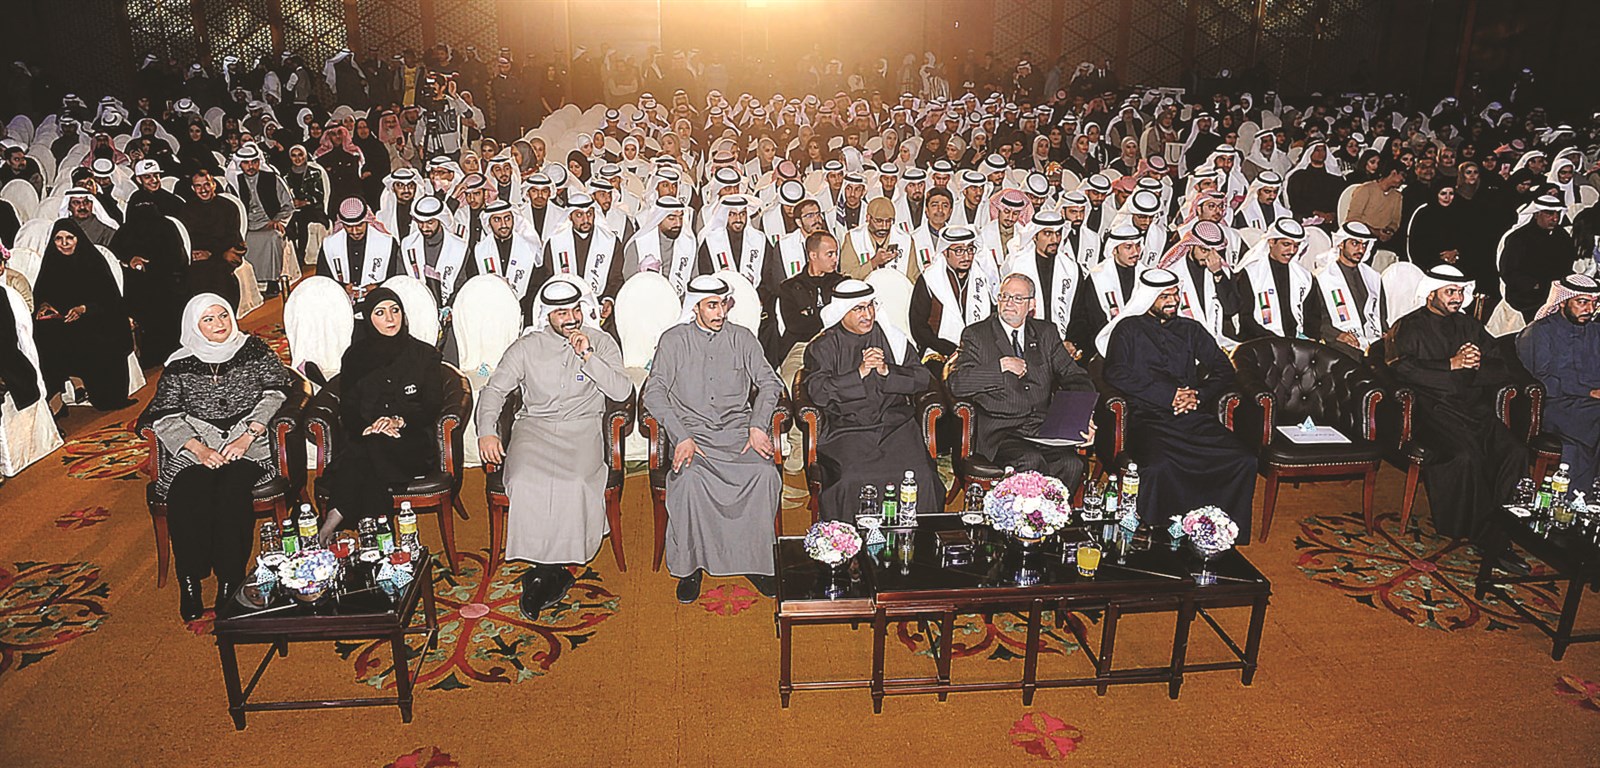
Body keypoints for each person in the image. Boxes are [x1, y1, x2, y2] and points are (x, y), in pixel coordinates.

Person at [476, 279, 631, 619]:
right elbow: (494, 390)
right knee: (524, 479)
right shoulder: (526, 346)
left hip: (582, 429)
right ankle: (551, 571)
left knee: (575, 482)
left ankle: (546, 573)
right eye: (562, 313)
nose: (571, 318)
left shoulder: (601, 342)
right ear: (547, 315)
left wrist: (587, 355)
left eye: (575, 310)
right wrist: (487, 432)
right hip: (535, 428)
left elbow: (621, 391)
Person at [138, 295, 296, 620]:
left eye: (223, 315)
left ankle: (229, 579)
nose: (219, 324)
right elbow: (164, 416)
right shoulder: (179, 363)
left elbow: (277, 391)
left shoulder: (253, 349)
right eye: (208, 319)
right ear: (194, 325)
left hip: (248, 446)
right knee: (187, 490)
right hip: (196, 448)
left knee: (231, 491)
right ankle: (189, 579)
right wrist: (199, 449)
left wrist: (248, 435)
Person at [641, 275, 784, 603]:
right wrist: (680, 436)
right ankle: (691, 566)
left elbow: (770, 382)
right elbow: (654, 392)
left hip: (738, 433)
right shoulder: (673, 340)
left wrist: (758, 425)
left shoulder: (742, 338)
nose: (721, 312)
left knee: (763, 474)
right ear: (695, 307)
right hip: (693, 435)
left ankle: (755, 561)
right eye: (712, 306)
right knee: (689, 481)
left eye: (723, 304)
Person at [1100, 268, 1258, 536]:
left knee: (1243, 459)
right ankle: (1157, 534)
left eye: (1175, 294)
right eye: (1165, 296)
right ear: (1148, 297)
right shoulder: (1128, 329)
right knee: (1159, 466)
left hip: (1191, 415)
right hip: (1147, 417)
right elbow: (1115, 373)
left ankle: (1217, 533)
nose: (1173, 301)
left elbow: (1223, 369)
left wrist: (1198, 394)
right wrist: (1167, 395)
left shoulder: (1191, 329)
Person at [1387, 265, 1527, 566]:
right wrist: (1450, 365)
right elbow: (1400, 369)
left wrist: (1475, 365)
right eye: (1450, 292)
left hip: (1474, 410)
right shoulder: (1408, 326)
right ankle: (1483, 535)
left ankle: (1503, 526)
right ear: (1430, 294)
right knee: (1466, 456)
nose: (1457, 298)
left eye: (1461, 292)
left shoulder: (1469, 326)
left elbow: (1501, 365)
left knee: (1514, 452)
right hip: (1432, 412)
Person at [803, 279, 943, 521]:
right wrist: (859, 373)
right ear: (842, 312)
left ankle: (916, 540)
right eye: (858, 309)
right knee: (851, 480)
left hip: (895, 426)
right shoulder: (823, 346)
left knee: (923, 477)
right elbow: (818, 391)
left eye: (870, 306)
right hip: (846, 428)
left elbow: (922, 378)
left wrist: (888, 371)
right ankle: (849, 541)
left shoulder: (892, 337)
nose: (867, 315)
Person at [948, 273, 1097, 488]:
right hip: (1001, 433)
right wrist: (1001, 366)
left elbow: (1075, 376)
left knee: (1071, 464)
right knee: (1030, 462)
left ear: (1031, 305)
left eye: (1018, 298)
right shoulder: (977, 335)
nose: (1009, 303)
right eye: (1004, 296)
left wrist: (1082, 416)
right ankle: (1023, 511)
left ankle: (1050, 511)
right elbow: (957, 383)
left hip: (1041, 428)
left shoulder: (1046, 333)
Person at [317, 287, 444, 532]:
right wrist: (367, 428)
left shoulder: (424, 355)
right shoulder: (355, 356)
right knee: (371, 457)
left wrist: (398, 421)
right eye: (380, 312)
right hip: (367, 438)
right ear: (368, 318)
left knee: (364, 454)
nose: (390, 318)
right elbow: (348, 407)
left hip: (412, 443)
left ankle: (333, 519)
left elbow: (431, 405)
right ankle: (380, 539)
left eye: (395, 310)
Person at [32, 219, 135, 411]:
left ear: (78, 239)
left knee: (89, 338)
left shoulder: (93, 261)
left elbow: (110, 302)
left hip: (95, 319)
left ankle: (91, 388)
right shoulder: (51, 262)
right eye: (59, 239)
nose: (64, 243)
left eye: (69, 238)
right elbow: (41, 295)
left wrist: (83, 309)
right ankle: (57, 399)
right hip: (62, 321)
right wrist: (45, 306)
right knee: (43, 335)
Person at [1516, 275, 1600, 492]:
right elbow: (1542, 380)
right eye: (1582, 302)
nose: (1589, 309)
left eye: (1594, 303)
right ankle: (1578, 496)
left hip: (1591, 404)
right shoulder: (1539, 332)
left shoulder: (1595, 331)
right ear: (1563, 301)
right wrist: (1589, 392)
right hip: (1554, 406)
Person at [110, 201, 189, 367]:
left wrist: (151, 266)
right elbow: (114, 255)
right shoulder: (124, 231)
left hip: (166, 279)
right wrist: (130, 260)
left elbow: (176, 259)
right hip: (132, 281)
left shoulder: (167, 227)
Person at [909, 226, 996, 363]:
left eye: (970, 250)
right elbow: (918, 327)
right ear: (945, 252)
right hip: (938, 351)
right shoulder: (929, 280)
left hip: (977, 348)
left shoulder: (982, 278)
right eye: (959, 251)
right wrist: (949, 349)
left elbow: (992, 318)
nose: (966, 257)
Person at [772, 230, 846, 383]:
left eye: (836, 253)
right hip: (801, 346)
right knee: (789, 382)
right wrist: (828, 316)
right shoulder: (789, 287)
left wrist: (811, 315)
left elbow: (844, 319)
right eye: (830, 254)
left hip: (836, 346)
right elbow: (794, 325)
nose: (835, 259)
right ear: (813, 255)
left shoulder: (842, 284)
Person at [1311, 222, 1383, 358]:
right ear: (1341, 244)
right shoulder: (1322, 278)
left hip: (1372, 338)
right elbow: (1316, 319)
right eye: (1355, 244)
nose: (1361, 250)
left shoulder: (1373, 277)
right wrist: (1338, 335)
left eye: (1364, 245)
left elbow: (1381, 315)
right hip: (1340, 339)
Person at [1500, 195, 1576, 321]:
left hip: (1558, 292)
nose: (1555, 218)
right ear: (1536, 214)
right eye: (1549, 214)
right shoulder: (1519, 238)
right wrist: (1535, 285)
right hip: (1529, 297)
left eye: (1557, 214)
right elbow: (1509, 272)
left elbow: (1567, 265)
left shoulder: (1562, 236)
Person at [1235, 218, 1314, 340]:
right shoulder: (1251, 273)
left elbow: (1312, 316)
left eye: (1296, 246)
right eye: (1286, 244)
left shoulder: (1304, 277)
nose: (1292, 251)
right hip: (1260, 340)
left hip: (1296, 341)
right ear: (1271, 242)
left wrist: (1310, 338)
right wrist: (1274, 340)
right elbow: (1246, 319)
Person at [232, 143, 293, 297]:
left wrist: (277, 220)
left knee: (273, 237)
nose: (251, 166)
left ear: (259, 162)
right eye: (246, 163)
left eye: (254, 162)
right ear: (240, 164)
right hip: (246, 226)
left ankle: (272, 280)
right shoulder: (234, 184)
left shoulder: (272, 179)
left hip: (268, 223)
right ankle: (250, 281)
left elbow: (288, 205)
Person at [320, 198, 401, 293]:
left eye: (359, 225)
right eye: (349, 226)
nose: (354, 231)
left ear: (367, 221)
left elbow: (395, 278)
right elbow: (323, 279)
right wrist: (343, 287)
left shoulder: (387, 243)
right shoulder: (329, 244)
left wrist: (377, 287)